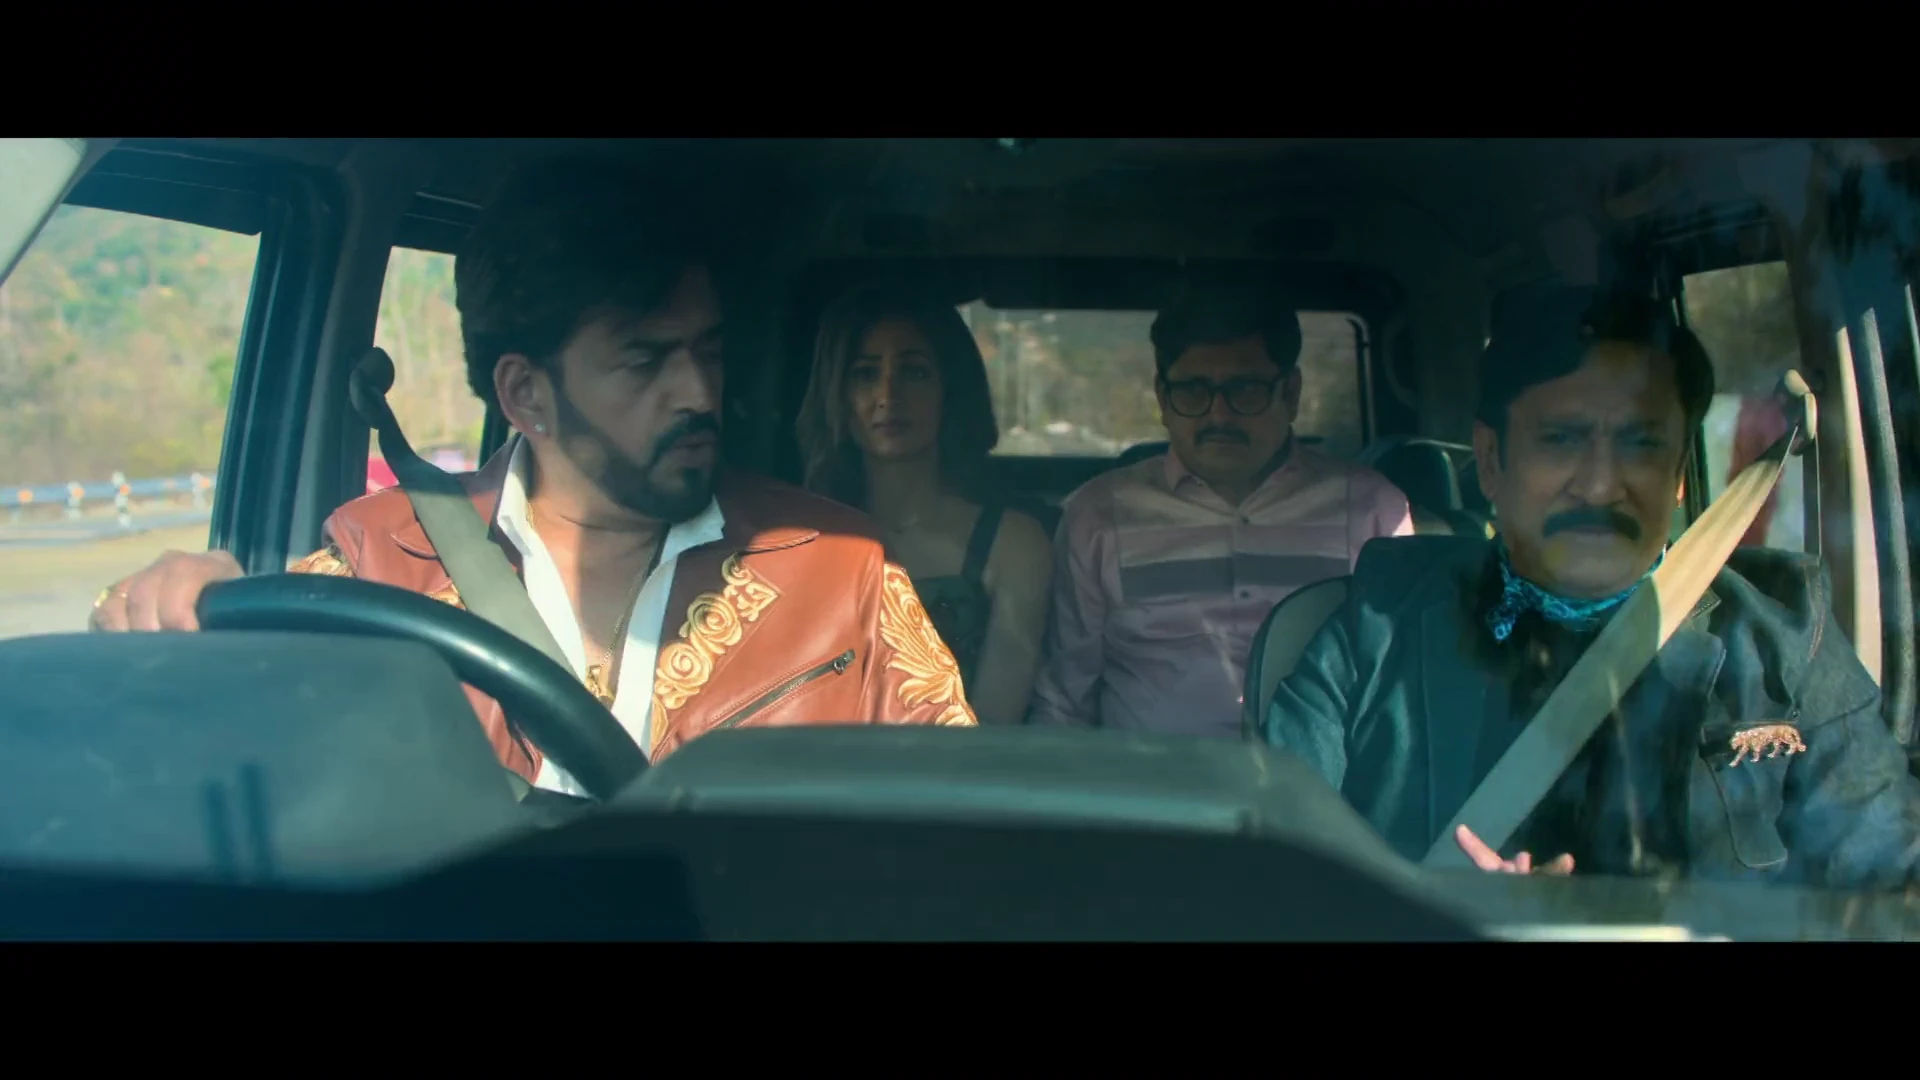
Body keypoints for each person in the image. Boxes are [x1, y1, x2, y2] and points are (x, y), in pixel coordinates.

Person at [88, 158, 976, 796]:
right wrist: (185, 611)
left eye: (708, 350)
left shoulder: (841, 571)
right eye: (645, 361)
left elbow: (957, 828)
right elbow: (223, 774)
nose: (699, 392)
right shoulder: (376, 567)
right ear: (525, 393)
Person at [1262, 285, 1920, 887]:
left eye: (1641, 444)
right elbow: (1272, 874)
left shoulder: (1785, 632)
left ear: (1679, 473)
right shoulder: (1377, 629)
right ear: (1490, 461)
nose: (1601, 485)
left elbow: (1892, 885)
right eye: (1561, 440)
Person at [1027, 282, 1414, 737]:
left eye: (1244, 389)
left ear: (1291, 393)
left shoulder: (1369, 509)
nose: (1219, 416)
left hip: (1315, 778)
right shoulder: (1098, 516)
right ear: (1162, 397)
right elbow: (1064, 699)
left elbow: (1398, 688)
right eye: (1193, 391)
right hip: (1148, 778)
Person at [795, 283, 1052, 725]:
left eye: (914, 373)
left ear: (949, 390)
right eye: (864, 374)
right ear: (836, 394)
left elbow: (994, 723)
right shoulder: (793, 539)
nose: (888, 395)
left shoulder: (1014, 544)